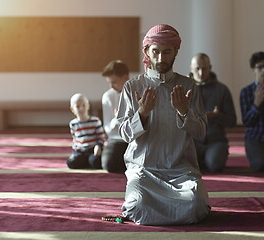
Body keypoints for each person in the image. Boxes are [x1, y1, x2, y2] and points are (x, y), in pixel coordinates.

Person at [116, 24, 210, 225]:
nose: (160, 59)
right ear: (147, 52)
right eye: (155, 52)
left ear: (176, 52)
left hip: (180, 171)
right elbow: (123, 134)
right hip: (144, 171)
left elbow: (201, 131)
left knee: (196, 204)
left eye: (167, 52)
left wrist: (184, 111)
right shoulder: (132, 87)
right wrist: (142, 113)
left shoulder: (188, 86)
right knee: (137, 206)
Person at [190, 53, 237, 172]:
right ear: (191, 69)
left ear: (210, 68)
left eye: (204, 69)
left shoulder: (222, 90)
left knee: (214, 165)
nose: (200, 73)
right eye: (197, 69)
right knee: (186, 167)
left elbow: (232, 121)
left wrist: (217, 116)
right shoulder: (184, 89)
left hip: (215, 141)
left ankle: (206, 159)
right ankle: (200, 160)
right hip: (192, 141)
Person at [101, 60, 129, 173]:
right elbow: (108, 129)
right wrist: (118, 118)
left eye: (114, 82)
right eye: (109, 83)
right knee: (109, 164)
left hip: (134, 139)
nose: (111, 86)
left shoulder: (137, 93)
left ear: (125, 78)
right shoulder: (108, 96)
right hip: (116, 140)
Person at [67, 93, 107, 169]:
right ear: (72, 109)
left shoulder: (95, 121)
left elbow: (101, 137)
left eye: (83, 105)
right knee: (71, 163)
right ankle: (85, 162)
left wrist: (98, 146)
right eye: (77, 106)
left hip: (92, 150)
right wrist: (74, 153)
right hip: (81, 151)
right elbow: (75, 140)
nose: (81, 109)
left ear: (88, 106)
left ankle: (88, 162)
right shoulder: (73, 124)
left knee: (95, 162)